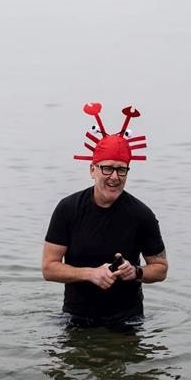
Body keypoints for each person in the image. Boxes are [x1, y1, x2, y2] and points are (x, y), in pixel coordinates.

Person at [42, 102, 168, 326]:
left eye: (121, 169)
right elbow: (49, 268)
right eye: (107, 168)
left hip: (127, 320)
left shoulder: (142, 215)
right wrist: (89, 274)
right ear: (92, 169)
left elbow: (160, 269)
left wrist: (136, 272)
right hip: (76, 318)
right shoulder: (68, 208)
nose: (114, 176)